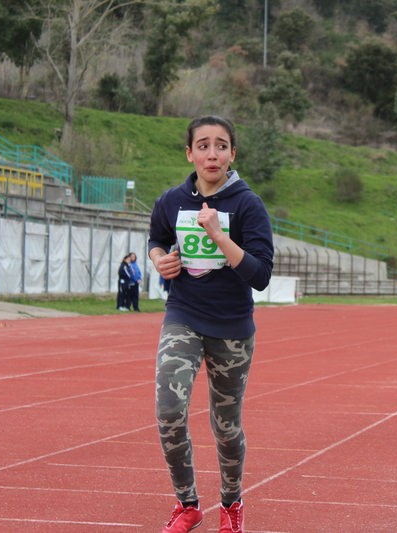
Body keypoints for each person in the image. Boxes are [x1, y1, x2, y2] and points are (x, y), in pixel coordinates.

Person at [148, 115, 273, 533]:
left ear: (232, 154)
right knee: (168, 410)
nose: (212, 153)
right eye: (203, 145)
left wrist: (220, 235)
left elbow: (260, 275)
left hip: (233, 327)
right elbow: (157, 238)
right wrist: (159, 260)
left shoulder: (247, 204)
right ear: (189, 153)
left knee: (225, 424)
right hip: (183, 315)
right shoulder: (171, 200)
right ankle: (187, 505)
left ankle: (232, 504)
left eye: (221, 145)